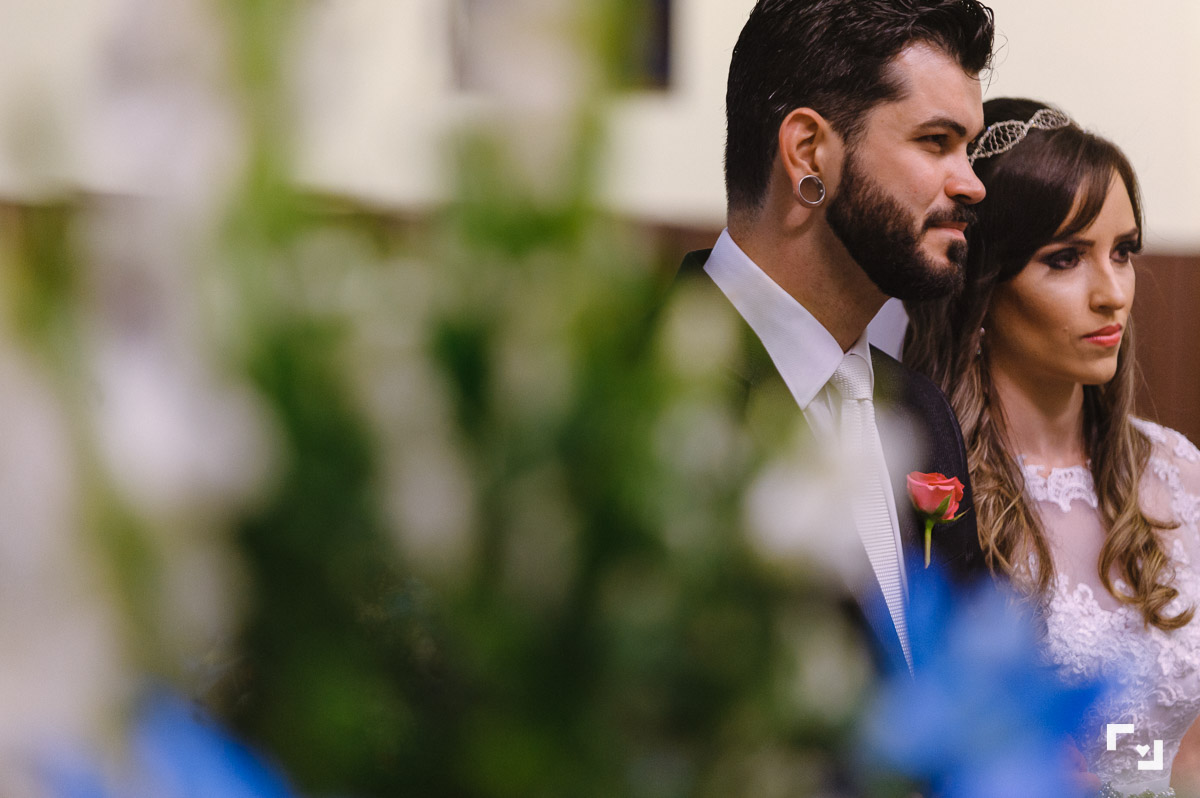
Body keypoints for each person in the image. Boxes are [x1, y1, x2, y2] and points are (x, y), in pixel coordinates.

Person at [674, 0, 996, 676]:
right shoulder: (652, 388)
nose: (971, 183)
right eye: (936, 142)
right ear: (808, 153)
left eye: (968, 148)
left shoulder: (923, 414)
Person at [905, 97, 1200, 797]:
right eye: (1065, 259)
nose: (1113, 293)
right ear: (984, 288)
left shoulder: (1180, 474)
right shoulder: (932, 493)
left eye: (1123, 252)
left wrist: (1153, 778)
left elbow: (1175, 744)